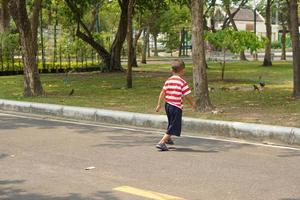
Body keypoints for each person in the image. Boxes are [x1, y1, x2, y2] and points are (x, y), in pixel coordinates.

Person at [155, 59, 196, 151]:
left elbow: (162, 93)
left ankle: (168, 138)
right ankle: (161, 142)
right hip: (176, 107)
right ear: (183, 70)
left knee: (171, 122)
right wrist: (193, 104)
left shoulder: (168, 81)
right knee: (174, 124)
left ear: (171, 70)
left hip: (168, 105)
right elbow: (187, 96)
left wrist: (159, 105)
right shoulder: (182, 82)